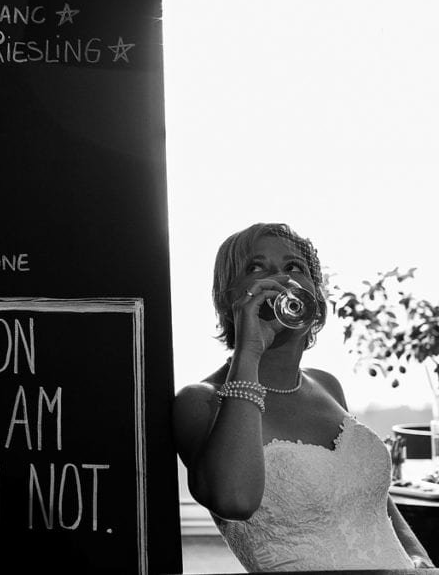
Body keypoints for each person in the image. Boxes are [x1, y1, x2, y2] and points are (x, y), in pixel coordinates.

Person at [173, 222, 434, 571]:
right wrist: (248, 351)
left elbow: (374, 500)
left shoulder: (328, 384)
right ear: (228, 297)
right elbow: (234, 500)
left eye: (294, 267)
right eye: (257, 267)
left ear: (315, 292)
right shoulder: (199, 400)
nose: (281, 278)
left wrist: (420, 559)